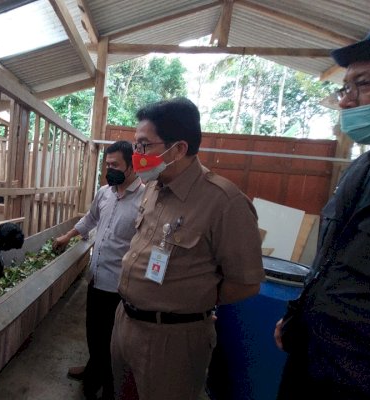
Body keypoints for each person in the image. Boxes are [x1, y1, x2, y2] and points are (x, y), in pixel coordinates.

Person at [110, 98, 265, 400]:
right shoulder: (153, 188)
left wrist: (194, 302)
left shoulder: (224, 202)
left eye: (144, 146)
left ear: (178, 149)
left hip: (172, 339)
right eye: (135, 145)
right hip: (125, 321)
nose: (137, 155)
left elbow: (246, 283)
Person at [274, 23, 370, 399]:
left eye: (363, 84)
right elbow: (329, 262)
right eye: (344, 88)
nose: (347, 100)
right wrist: (297, 314)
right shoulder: (360, 170)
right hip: (312, 360)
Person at [54, 140, 145, 400]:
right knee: (94, 331)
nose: (110, 170)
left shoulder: (145, 200)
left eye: (115, 165)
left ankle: (108, 384)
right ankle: (93, 368)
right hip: (96, 278)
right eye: (107, 165)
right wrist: (67, 236)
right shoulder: (104, 192)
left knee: (114, 341)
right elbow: (90, 219)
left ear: (131, 165)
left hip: (120, 286)